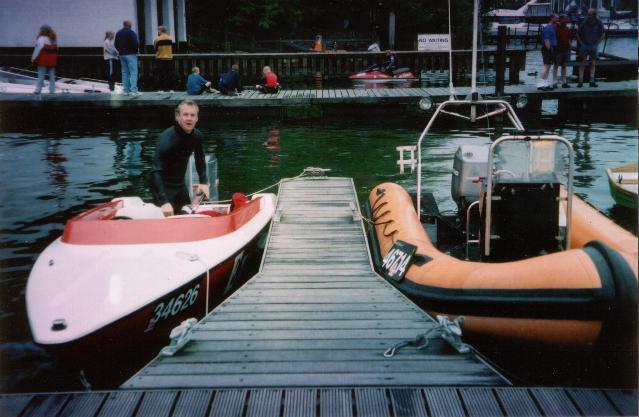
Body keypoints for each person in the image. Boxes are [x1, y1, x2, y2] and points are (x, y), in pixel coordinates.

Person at [150, 100, 210, 217]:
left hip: (180, 185)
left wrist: (203, 182)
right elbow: (155, 172)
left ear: (197, 118)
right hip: (162, 187)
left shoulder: (197, 136)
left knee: (187, 216)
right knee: (167, 223)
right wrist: (164, 202)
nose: (189, 118)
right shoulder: (166, 138)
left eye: (192, 115)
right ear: (178, 117)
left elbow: (200, 158)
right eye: (185, 114)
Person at [576, 8, 604, 87]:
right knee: (582, 62)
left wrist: (597, 43)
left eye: (589, 15)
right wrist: (581, 43)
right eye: (587, 14)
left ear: (594, 15)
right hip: (585, 44)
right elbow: (577, 34)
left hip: (594, 45)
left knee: (593, 63)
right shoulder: (584, 22)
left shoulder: (599, 22)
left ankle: (591, 81)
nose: (588, 16)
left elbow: (602, 34)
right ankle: (580, 81)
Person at [115, 20, 140, 96]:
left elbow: (115, 44)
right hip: (131, 54)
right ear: (130, 25)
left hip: (122, 55)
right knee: (133, 72)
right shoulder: (131, 32)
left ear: (123, 25)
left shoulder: (118, 33)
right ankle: (134, 91)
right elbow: (136, 43)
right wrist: (135, 51)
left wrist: (120, 51)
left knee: (124, 72)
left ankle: (125, 91)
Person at [31, 25, 58, 95]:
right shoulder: (53, 39)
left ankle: (38, 90)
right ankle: (52, 91)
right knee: (52, 75)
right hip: (52, 60)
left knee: (41, 75)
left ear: (42, 31)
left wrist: (33, 58)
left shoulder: (41, 38)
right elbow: (56, 49)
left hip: (43, 60)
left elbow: (37, 49)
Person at [537, 14, 558, 91]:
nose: (557, 19)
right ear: (552, 18)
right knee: (546, 66)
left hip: (551, 48)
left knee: (548, 66)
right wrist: (550, 50)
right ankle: (540, 84)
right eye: (556, 18)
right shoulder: (548, 28)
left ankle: (545, 84)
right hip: (548, 49)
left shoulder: (552, 27)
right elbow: (546, 40)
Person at [153, 25, 174, 92]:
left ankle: (160, 89)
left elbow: (155, 49)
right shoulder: (170, 39)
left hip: (160, 58)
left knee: (160, 74)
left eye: (158, 30)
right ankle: (170, 89)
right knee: (169, 74)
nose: (158, 32)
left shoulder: (157, 39)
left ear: (160, 31)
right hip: (169, 58)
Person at [553, 15, 572, 88]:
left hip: (566, 49)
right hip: (558, 50)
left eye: (567, 20)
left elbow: (569, 38)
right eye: (565, 20)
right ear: (561, 20)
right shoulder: (555, 28)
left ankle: (564, 82)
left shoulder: (567, 28)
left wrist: (569, 47)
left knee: (564, 65)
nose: (566, 21)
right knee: (556, 65)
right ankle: (554, 82)